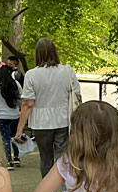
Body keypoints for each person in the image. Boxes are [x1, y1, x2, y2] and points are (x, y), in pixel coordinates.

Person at [14, 37, 82, 176]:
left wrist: (19, 129)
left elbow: (28, 104)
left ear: (37, 54)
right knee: (63, 158)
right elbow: (78, 97)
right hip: (63, 121)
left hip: (41, 123)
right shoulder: (67, 71)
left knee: (45, 159)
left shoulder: (31, 75)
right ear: (54, 52)